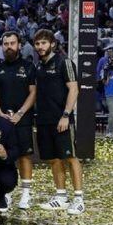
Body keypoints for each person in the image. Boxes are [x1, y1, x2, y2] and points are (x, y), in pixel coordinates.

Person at [32, 29, 85, 215]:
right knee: (53, 159)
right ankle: (61, 196)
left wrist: (65, 115)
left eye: (44, 43)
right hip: (44, 120)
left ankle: (79, 199)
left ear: (52, 44)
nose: (40, 47)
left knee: (71, 158)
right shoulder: (38, 66)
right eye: (37, 44)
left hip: (62, 119)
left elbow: (74, 90)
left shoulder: (65, 62)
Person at [0, 31, 37, 209]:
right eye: (6, 44)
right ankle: (5, 192)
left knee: (24, 155)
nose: (9, 47)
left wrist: (20, 113)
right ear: (2, 46)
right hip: (2, 121)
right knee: (3, 154)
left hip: (22, 119)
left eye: (12, 43)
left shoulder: (29, 67)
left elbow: (33, 92)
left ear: (19, 45)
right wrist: (0, 114)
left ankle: (26, 193)